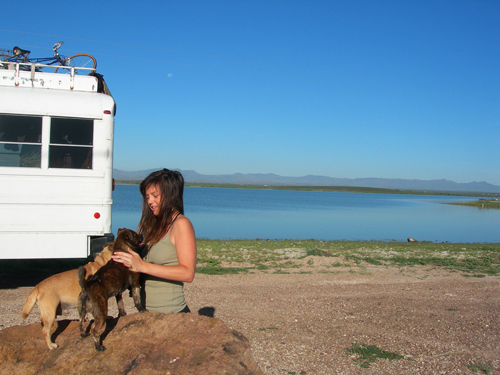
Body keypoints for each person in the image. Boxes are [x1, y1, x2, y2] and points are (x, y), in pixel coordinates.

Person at [112, 169, 196, 313]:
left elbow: (188, 273)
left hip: (172, 314)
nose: (150, 201)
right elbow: (135, 264)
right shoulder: (149, 225)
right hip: (146, 313)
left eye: (155, 196)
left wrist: (143, 266)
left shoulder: (181, 224)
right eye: (147, 197)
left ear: (170, 195)